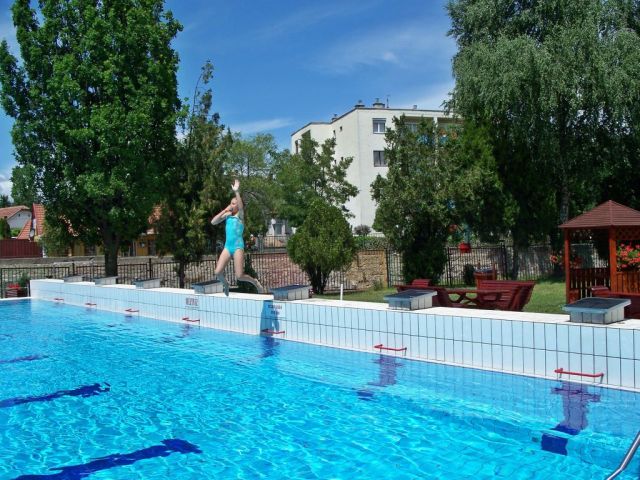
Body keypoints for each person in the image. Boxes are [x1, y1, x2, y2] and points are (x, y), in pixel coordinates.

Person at [211, 179, 264, 296]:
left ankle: (255, 282)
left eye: (234, 203)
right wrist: (224, 210)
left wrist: (236, 191)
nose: (232, 205)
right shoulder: (227, 215)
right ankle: (226, 284)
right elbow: (213, 222)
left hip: (237, 247)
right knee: (218, 272)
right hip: (227, 247)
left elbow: (240, 207)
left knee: (239, 276)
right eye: (231, 203)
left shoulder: (240, 216)